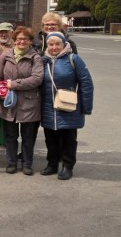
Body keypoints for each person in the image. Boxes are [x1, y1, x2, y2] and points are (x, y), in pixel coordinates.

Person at [40, 32, 94, 180]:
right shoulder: (43, 61)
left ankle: (68, 165)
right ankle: (52, 164)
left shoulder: (73, 59)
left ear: (64, 45)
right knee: (50, 138)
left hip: (69, 106)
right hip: (48, 107)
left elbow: (86, 83)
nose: (54, 47)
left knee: (68, 138)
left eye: (58, 44)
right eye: (51, 44)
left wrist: (86, 106)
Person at [0, 26, 43, 176]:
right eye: (19, 39)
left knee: (28, 136)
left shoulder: (35, 57)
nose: (22, 41)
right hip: (9, 102)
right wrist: (0, 94)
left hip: (29, 102)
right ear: (14, 40)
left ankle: (27, 164)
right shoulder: (5, 56)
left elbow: (37, 79)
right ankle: (11, 162)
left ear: (30, 41)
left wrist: (14, 84)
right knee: (11, 136)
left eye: (25, 39)